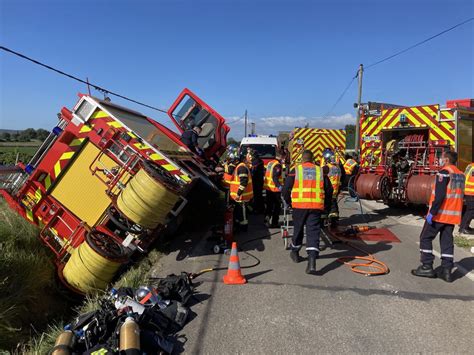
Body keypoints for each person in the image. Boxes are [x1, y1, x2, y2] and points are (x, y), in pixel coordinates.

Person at [411, 151, 465, 283]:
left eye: (441, 158)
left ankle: (427, 266)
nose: (439, 160)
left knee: (425, 237)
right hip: (452, 216)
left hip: (440, 215)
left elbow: (440, 196)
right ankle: (446, 271)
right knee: (447, 242)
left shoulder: (444, 173)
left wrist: (432, 213)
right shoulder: (460, 174)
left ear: (446, 160)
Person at [282, 150, 333, 274]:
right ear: (313, 158)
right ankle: (312, 262)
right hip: (315, 207)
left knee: (298, 229)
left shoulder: (296, 170)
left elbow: (285, 189)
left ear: (302, 159)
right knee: (313, 231)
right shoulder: (319, 170)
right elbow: (329, 190)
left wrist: (289, 203)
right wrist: (325, 205)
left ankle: (295, 251)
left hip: (299, 206)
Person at [229, 154, 253, 231]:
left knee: (242, 215)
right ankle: (241, 225)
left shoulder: (241, 168)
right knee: (241, 213)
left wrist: (238, 194)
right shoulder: (240, 167)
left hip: (241, 196)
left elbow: (243, 183)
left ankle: (243, 227)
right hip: (241, 196)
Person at [321, 148, 341, 225]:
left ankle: (323, 220)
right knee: (333, 205)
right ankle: (334, 220)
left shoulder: (326, 168)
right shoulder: (338, 167)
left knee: (325, 205)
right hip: (336, 190)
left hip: (328, 190)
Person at [264, 157, 283, 228]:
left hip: (269, 188)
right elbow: (275, 177)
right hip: (275, 190)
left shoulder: (270, 163)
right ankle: (274, 222)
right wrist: (279, 186)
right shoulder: (277, 165)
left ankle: (266, 219)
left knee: (269, 205)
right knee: (277, 206)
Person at [247, 149, 265, 214]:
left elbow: (253, 172)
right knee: (259, 195)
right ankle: (261, 208)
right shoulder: (260, 161)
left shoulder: (255, 162)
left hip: (256, 181)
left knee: (256, 196)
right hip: (260, 180)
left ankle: (257, 209)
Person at [459, 162, 474, 235]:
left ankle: (464, 226)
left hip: (468, 190)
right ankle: (463, 228)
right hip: (471, 191)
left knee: (470, 210)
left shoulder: (471, 165)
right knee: (471, 210)